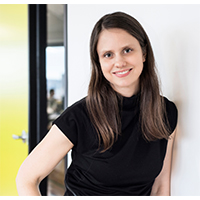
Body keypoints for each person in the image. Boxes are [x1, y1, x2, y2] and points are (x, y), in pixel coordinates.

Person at [16, 11, 178, 196]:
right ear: (99, 63)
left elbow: (160, 185)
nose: (119, 62)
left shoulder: (166, 112)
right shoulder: (79, 116)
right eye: (108, 55)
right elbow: (26, 178)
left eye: (127, 50)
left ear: (144, 53)